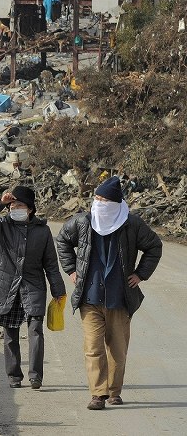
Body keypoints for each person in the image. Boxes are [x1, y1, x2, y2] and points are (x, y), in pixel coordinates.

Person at [56, 176, 162, 410]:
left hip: (119, 299)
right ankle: (97, 394)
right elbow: (62, 240)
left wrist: (141, 274)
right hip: (90, 298)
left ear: (115, 204)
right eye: (97, 198)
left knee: (117, 350)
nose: (99, 203)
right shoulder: (83, 222)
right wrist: (72, 270)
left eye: (104, 200)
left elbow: (154, 246)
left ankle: (114, 392)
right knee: (93, 348)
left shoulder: (131, 224)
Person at [0, 185, 66, 390]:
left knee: (36, 329)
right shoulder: (1, 226)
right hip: (6, 284)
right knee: (10, 333)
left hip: (33, 285)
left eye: (18, 205)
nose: (14, 209)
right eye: (11, 205)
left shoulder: (43, 231)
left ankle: (36, 376)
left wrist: (58, 290)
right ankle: (14, 376)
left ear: (30, 209)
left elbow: (51, 264)